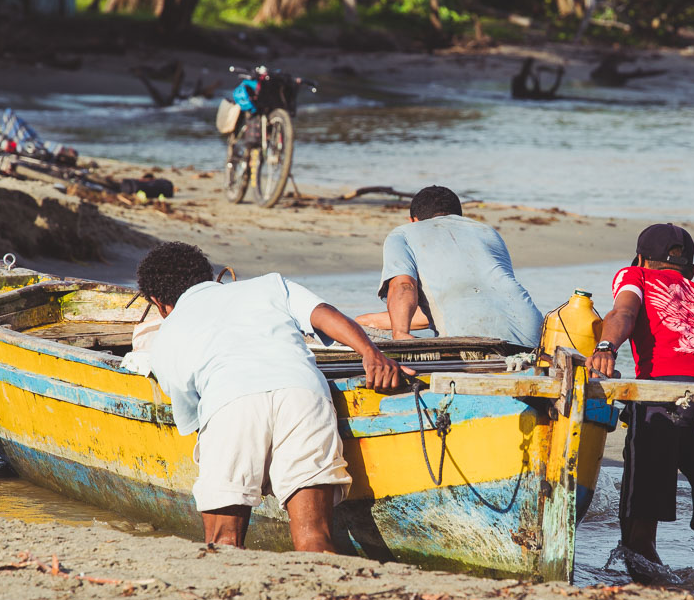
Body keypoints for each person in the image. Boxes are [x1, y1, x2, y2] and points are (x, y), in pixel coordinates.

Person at [137, 241, 412, 551]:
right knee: (315, 537)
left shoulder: (165, 336)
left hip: (229, 404)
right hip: (303, 393)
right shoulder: (270, 284)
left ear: (160, 304)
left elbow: (192, 420)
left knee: (223, 540)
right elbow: (323, 314)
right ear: (209, 275)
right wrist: (370, 353)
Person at [587, 223, 694, 591]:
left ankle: (660, 596)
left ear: (640, 260)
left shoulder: (636, 276)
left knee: (639, 528)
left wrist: (605, 348)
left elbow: (624, 314)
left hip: (662, 394)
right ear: (691, 271)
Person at [356, 185, 543, 346]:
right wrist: (372, 320)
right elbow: (453, 302)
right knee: (366, 324)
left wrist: (399, 333)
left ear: (413, 220)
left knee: (360, 334)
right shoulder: (486, 231)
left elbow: (404, 286)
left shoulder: (403, 233)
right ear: (458, 217)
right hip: (533, 332)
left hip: (472, 335)